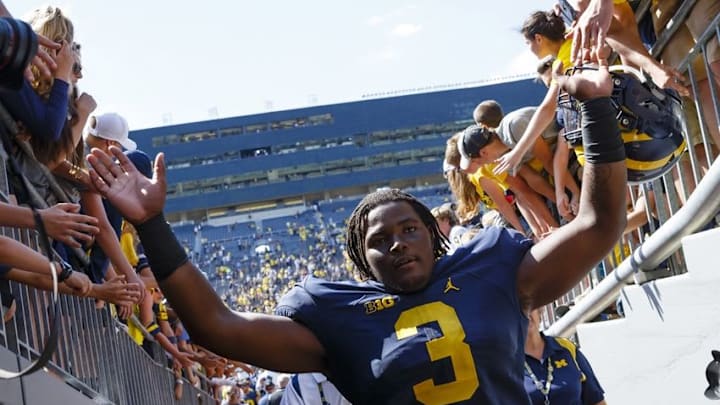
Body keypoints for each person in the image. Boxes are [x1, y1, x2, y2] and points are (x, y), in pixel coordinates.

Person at [86, 49, 627, 404]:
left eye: (408, 229)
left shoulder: (495, 269)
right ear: (362, 263)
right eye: (378, 241)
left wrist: (597, 109)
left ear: (435, 235)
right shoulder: (339, 319)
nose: (396, 242)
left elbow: (600, 225)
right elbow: (216, 328)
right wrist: (153, 225)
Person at [524, 309, 606, 405]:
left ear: (539, 311)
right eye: (516, 310)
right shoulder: (505, 361)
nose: (525, 314)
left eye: (528, 306)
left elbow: (596, 400)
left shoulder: (566, 348)